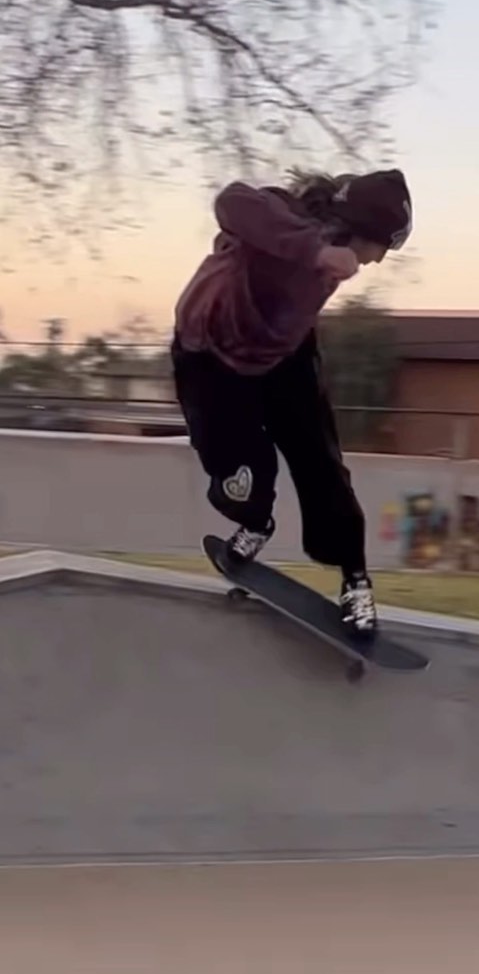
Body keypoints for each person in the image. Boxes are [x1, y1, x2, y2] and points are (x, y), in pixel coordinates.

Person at [171, 168, 413, 637]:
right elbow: (231, 201)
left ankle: (355, 580)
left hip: (283, 354)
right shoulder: (284, 213)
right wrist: (316, 251)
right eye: (381, 247)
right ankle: (255, 521)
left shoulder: (342, 247)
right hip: (209, 356)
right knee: (240, 472)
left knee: (320, 461)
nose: (378, 260)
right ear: (360, 227)